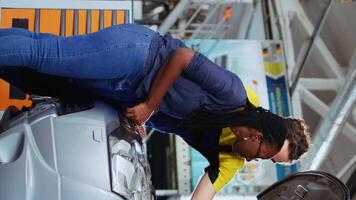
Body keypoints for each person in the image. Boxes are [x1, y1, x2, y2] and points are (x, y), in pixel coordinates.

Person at [0, 24, 311, 199]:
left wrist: (144, 117)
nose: (256, 160)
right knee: (45, 55)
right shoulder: (233, 94)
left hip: (119, 93)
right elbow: (181, 57)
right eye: (266, 154)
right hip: (137, 57)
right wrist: (150, 107)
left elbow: (201, 197)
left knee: (33, 75)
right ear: (259, 134)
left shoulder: (230, 159)